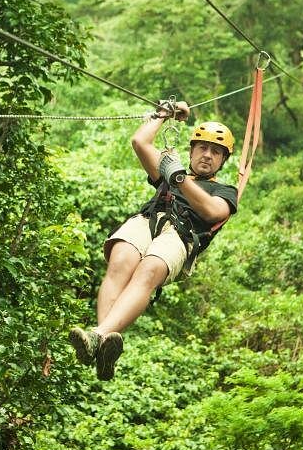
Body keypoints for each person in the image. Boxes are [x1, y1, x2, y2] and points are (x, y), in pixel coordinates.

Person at [69, 100, 238, 380]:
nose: (208, 155)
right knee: (120, 258)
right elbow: (139, 141)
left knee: (149, 270)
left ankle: (98, 334)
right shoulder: (169, 171)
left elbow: (211, 211)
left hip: (180, 234)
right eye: (203, 148)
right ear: (192, 150)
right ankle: (103, 346)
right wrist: (164, 114)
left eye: (216, 152)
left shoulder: (224, 190)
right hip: (150, 219)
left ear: (222, 160)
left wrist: (180, 178)